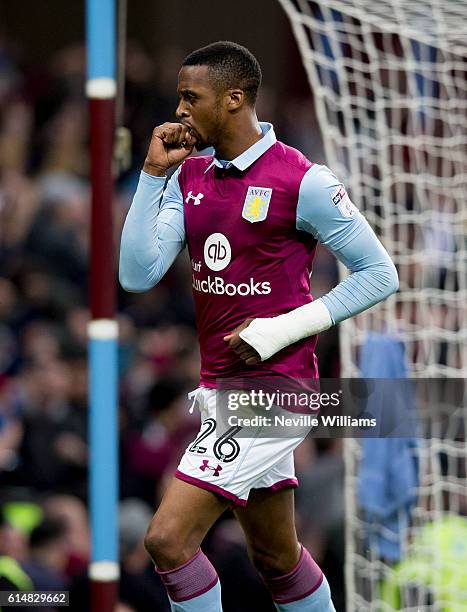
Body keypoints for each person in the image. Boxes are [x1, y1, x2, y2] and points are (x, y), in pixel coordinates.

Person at [120, 41, 398, 612]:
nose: (179, 110)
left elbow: (379, 274)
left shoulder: (304, 180)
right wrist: (151, 175)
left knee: (167, 541)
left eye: (190, 98)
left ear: (234, 99)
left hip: (277, 393)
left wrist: (279, 330)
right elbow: (136, 273)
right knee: (276, 557)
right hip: (221, 391)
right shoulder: (189, 173)